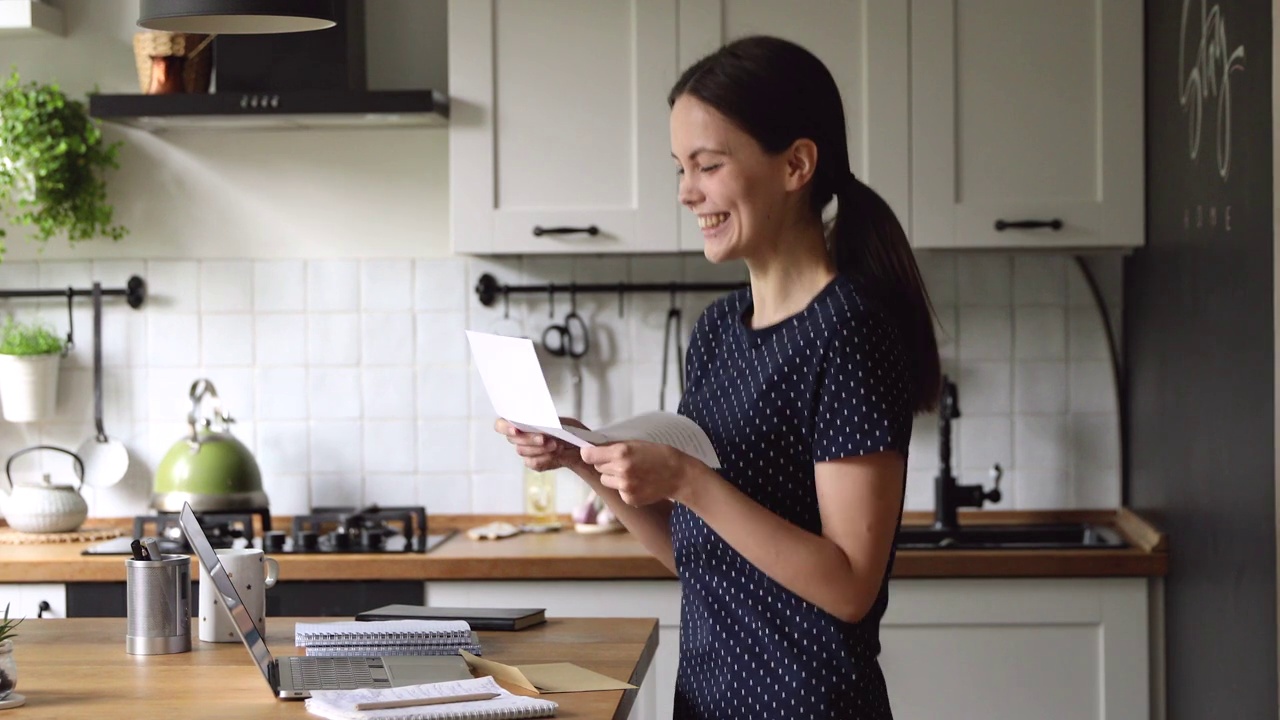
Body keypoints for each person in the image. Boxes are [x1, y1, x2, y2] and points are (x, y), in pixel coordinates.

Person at [495, 35, 940, 719]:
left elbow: (850, 584)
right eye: (680, 167)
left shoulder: (848, 330)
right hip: (707, 700)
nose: (686, 192)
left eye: (707, 165)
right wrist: (584, 459)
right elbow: (697, 553)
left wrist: (687, 478)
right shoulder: (717, 331)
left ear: (796, 164)